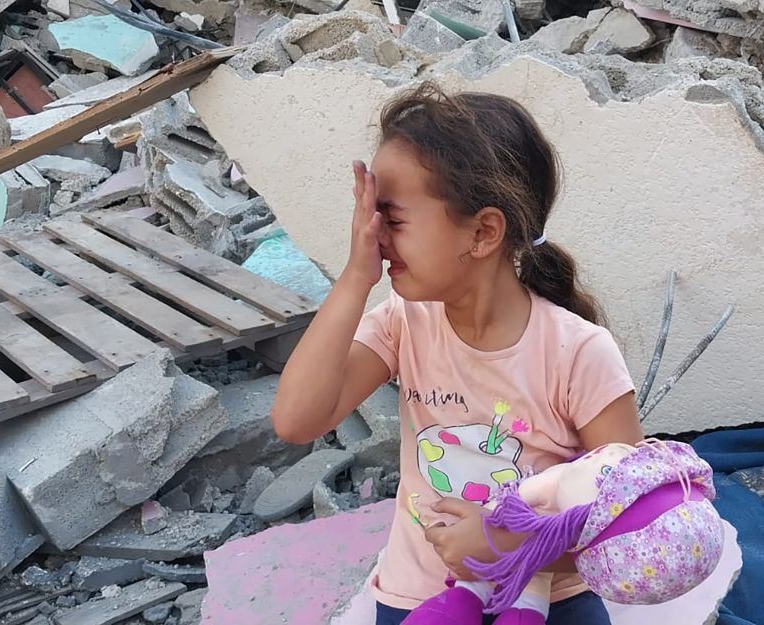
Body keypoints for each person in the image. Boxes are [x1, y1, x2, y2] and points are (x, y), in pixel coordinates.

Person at [270, 82, 642, 625]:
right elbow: (296, 420)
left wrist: (508, 542)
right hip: (420, 596)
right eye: (370, 217)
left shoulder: (578, 353)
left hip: (548, 596)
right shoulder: (405, 322)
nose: (374, 237)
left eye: (391, 220)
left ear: (484, 232)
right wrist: (355, 276)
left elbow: (635, 529)